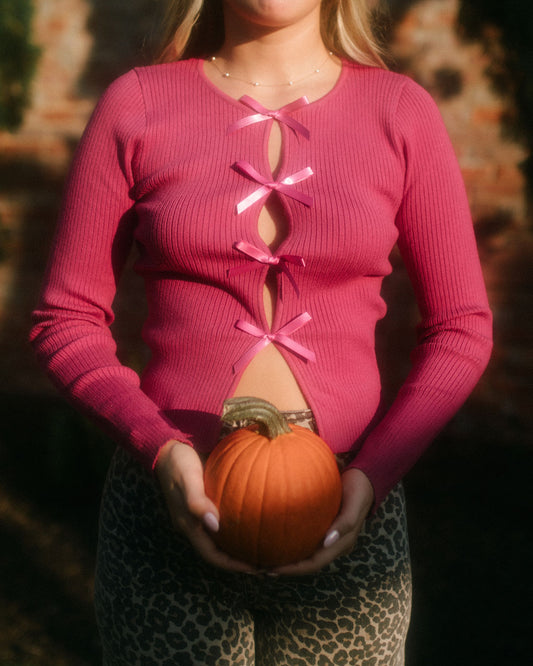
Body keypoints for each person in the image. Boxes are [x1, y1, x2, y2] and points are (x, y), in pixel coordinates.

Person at [30, 0, 493, 663]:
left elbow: (460, 327)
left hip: (348, 513)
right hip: (165, 505)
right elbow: (64, 320)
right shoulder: (135, 105)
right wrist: (158, 450)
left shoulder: (400, 112)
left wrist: (371, 475)